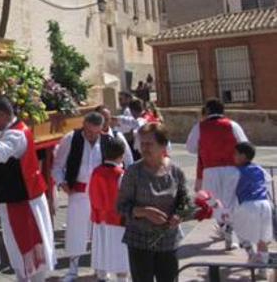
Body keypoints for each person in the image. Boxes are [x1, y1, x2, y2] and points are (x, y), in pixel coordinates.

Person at [0, 96, 55, 282]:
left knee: (30, 247)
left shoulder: (16, 134)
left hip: (24, 200)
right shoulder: (6, 132)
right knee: (17, 248)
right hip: (13, 198)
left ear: (2, 114)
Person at [117, 123, 188, 282]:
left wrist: (178, 215)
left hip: (168, 240)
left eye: (149, 144)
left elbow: (184, 201)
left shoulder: (176, 172)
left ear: (163, 145)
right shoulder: (133, 172)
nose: (144, 148)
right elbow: (121, 206)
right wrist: (144, 212)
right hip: (139, 240)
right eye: (142, 144)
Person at [52, 111, 110, 280]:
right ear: (83, 126)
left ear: (101, 128)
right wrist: (62, 183)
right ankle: (72, 269)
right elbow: (57, 165)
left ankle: (101, 268)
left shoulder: (108, 140)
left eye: (95, 132)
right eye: (88, 131)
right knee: (76, 231)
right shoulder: (71, 138)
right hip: (78, 192)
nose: (91, 135)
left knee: (100, 230)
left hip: (100, 194)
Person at [186, 98, 248, 249]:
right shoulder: (232, 125)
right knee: (231, 202)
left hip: (210, 170)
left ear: (207, 111)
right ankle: (229, 232)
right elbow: (245, 144)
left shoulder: (199, 127)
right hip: (232, 168)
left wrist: (205, 147)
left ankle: (224, 227)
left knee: (214, 202)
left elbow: (190, 148)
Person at [89, 136, 130, 282]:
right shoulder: (121, 175)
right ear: (122, 154)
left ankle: (102, 277)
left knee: (101, 253)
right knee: (120, 256)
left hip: (99, 219)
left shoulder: (95, 172)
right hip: (117, 221)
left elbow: (92, 193)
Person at [233, 142, 272, 266]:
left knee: (240, 231)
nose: (233, 156)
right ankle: (262, 268)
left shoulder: (235, 172)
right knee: (262, 238)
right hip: (265, 204)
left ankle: (251, 255)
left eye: (236, 154)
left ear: (243, 156)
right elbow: (268, 182)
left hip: (248, 205)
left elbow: (229, 190)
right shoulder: (259, 168)